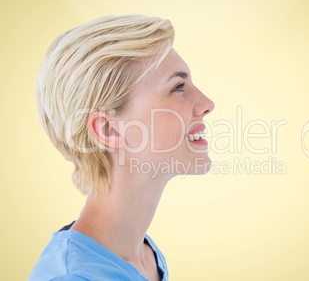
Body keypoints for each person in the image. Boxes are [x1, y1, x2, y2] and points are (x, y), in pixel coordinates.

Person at [29, 14, 214, 281]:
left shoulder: (146, 256)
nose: (207, 103)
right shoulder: (73, 277)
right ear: (108, 130)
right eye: (178, 87)